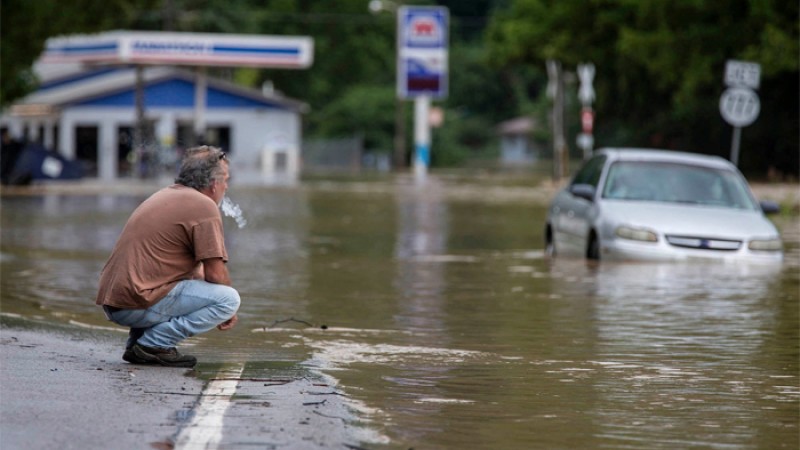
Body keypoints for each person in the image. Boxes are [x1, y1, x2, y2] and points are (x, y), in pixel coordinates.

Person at [96, 145, 240, 367]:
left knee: (186, 281)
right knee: (229, 299)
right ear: (213, 184)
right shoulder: (204, 206)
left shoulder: (167, 194)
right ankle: (154, 344)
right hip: (135, 302)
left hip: (117, 301)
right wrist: (229, 312)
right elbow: (216, 274)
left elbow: (198, 272)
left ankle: (138, 345)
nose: (226, 187)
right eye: (226, 180)